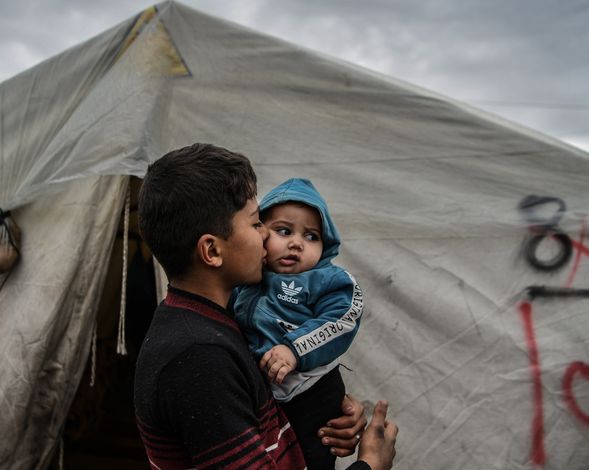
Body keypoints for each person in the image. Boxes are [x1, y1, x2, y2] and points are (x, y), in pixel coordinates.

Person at [133, 143, 397, 469]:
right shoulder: (198, 356)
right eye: (257, 223)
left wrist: (324, 408)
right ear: (212, 251)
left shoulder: (218, 324)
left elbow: (254, 412)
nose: (265, 237)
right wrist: (371, 464)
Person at [233, 178, 362, 469]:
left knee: (312, 455)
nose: (296, 243)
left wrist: (294, 350)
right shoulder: (246, 280)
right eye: (283, 230)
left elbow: (342, 320)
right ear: (259, 232)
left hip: (311, 390)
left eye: (312, 236)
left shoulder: (328, 281)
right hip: (267, 394)